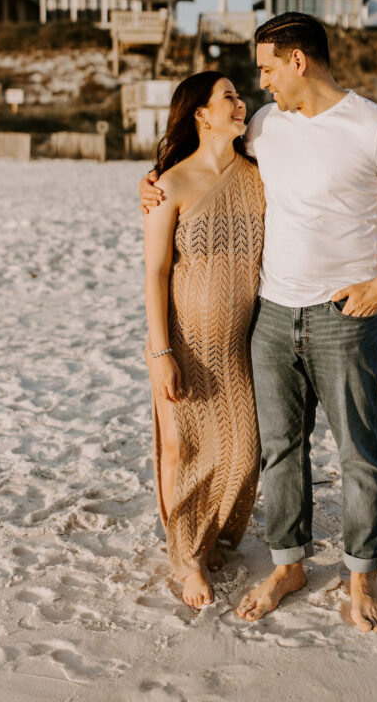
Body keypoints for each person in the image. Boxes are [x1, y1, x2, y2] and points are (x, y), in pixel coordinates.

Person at [141, 14, 377, 632]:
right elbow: (201, 161)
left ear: (297, 61)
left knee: (359, 452)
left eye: (267, 67)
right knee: (280, 451)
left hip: (342, 315)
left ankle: (362, 575)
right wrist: (151, 183)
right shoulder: (264, 125)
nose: (260, 82)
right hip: (272, 315)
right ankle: (288, 564)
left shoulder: (376, 127)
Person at [143, 71, 265, 610]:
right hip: (180, 340)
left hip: (239, 342)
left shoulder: (258, 174)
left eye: (241, 95)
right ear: (201, 114)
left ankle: (208, 533)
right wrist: (161, 350)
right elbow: (155, 273)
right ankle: (186, 557)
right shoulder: (170, 184)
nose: (242, 103)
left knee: (242, 450)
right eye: (230, 97)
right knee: (181, 448)